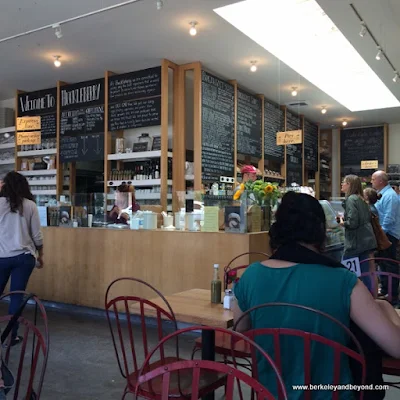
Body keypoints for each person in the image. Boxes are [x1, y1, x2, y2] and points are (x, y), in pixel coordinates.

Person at [233, 192, 400, 400]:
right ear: (321, 231)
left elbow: (240, 326)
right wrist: (386, 309)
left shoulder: (252, 274)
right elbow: (396, 346)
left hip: (271, 394)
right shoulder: (343, 281)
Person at [0, 171, 43, 346]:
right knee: (17, 296)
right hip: (24, 258)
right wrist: (41, 255)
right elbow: (37, 236)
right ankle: (11, 336)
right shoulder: (30, 205)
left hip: (1, 257)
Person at [340, 175, 376, 291]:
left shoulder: (351, 199)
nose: (342, 184)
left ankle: (350, 301)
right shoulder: (361, 199)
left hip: (354, 243)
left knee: (348, 275)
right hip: (365, 242)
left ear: (349, 184)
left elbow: (353, 223)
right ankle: (368, 299)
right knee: (365, 274)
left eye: (344, 182)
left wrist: (342, 222)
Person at [372, 170, 400, 303]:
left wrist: (381, 233)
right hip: (384, 233)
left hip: (389, 235)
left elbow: (389, 218)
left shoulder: (390, 196)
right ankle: (385, 290)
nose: (371, 181)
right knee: (383, 264)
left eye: (373, 179)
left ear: (381, 181)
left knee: (389, 264)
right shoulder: (383, 194)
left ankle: (392, 294)